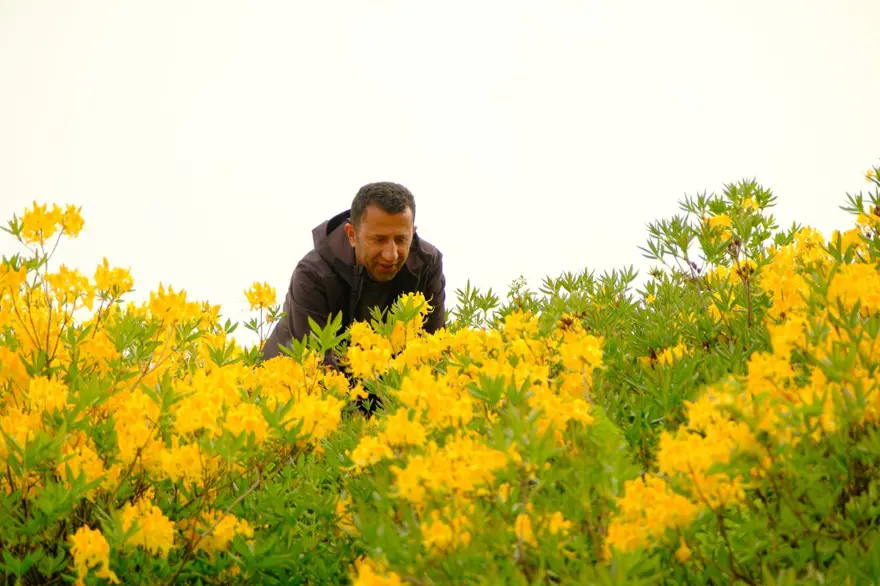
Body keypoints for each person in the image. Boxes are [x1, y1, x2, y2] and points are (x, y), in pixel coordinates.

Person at [260, 181, 447, 368]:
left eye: (401, 239)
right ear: (351, 234)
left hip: (377, 382)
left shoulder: (427, 264)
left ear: (412, 233)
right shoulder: (313, 275)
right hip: (288, 387)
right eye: (379, 239)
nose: (391, 255)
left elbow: (433, 349)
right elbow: (314, 368)